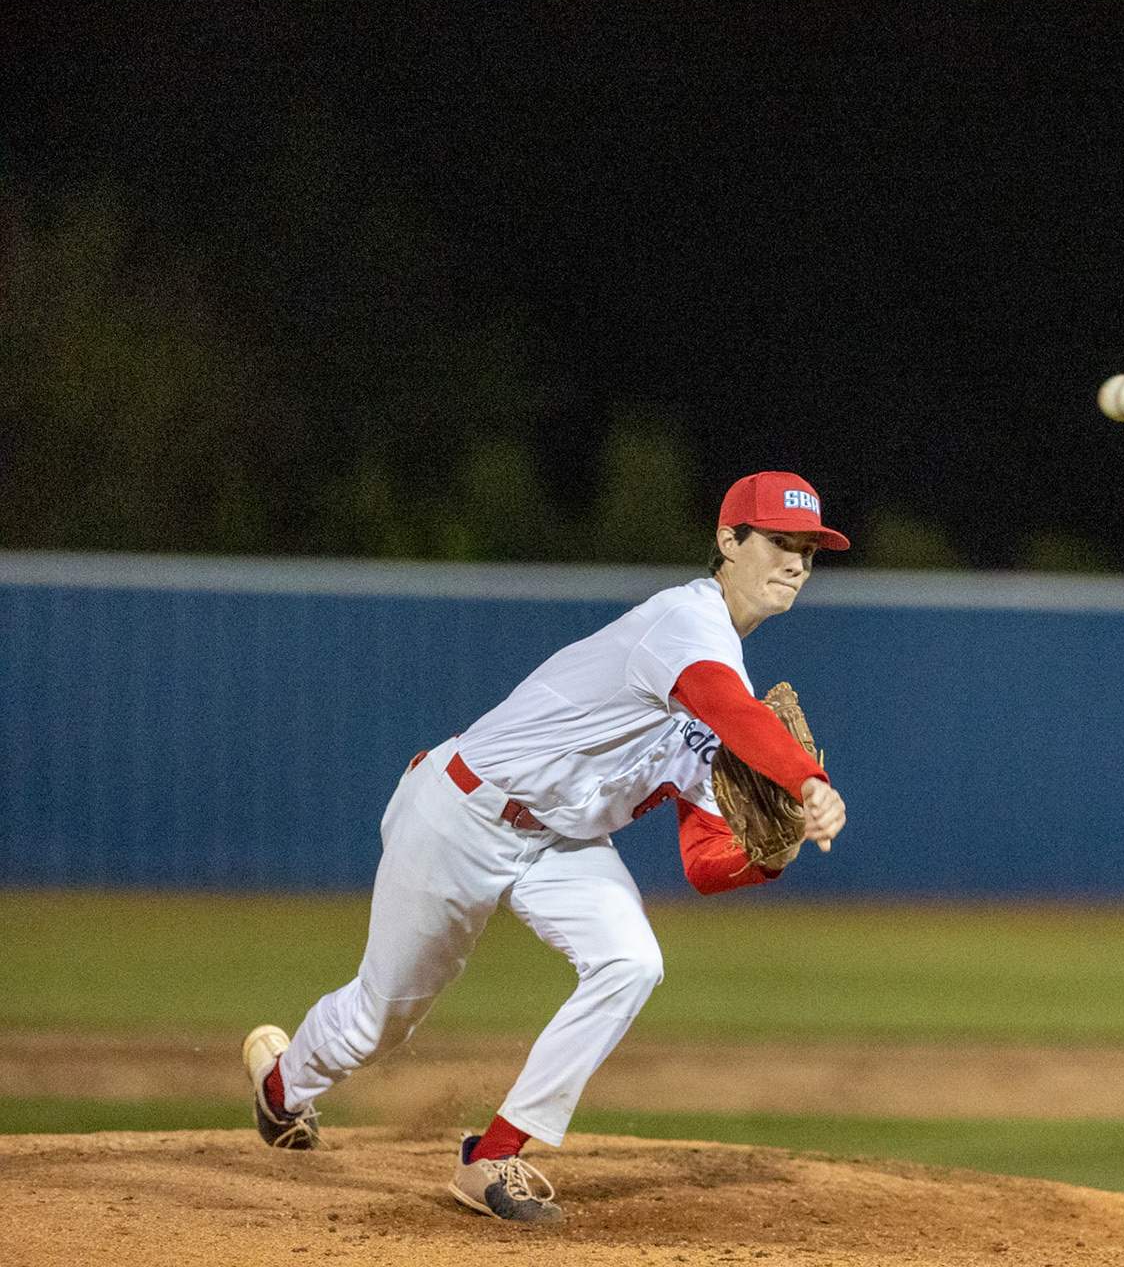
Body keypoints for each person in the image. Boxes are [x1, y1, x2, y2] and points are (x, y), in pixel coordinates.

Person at [241, 471, 849, 1225]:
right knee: (383, 1020)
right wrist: (806, 779)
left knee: (632, 962)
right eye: (781, 543)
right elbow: (724, 702)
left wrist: (769, 856)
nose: (796, 563)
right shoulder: (684, 624)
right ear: (728, 541)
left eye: (810, 551)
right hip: (461, 810)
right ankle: (281, 1090)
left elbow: (702, 864)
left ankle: (492, 1156)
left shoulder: (723, 703)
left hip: (561, 842)